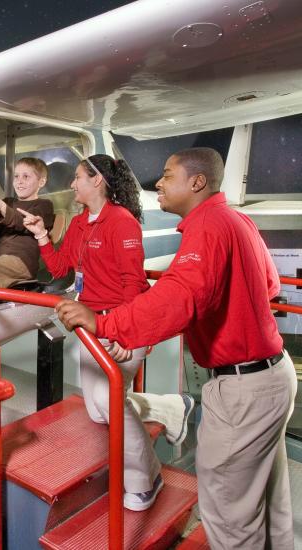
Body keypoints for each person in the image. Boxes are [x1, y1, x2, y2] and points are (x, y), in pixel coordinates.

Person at [54, 148, 296, 548]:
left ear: (197, 182)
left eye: (167, 175)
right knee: (271, 501)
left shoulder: (207, 227)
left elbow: (179, 297)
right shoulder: (236, 219)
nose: (158, 184)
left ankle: (164, 422)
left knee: (230, 514)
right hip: (274, 375)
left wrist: (105, 323)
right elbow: (270, 285)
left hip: (243, 389)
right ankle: (169, 408)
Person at [19, 153, 192, 512]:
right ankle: (172, 408)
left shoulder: (122, 223)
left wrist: (129, 335)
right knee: (99, 411)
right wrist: (40, 235)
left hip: (119, 326)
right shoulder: (82, 223)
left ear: (97, 181)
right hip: (90, 326)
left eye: (78, 177)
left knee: (110, 405)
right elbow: (60, 268)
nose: (72, 184)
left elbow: (133, 284)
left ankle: (147, 480)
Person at [0, 157, 55, 308]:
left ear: (41, 182)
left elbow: (22, 222)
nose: (19, 181)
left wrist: (2, 208)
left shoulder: (44, 206)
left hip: (20, 262)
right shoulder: (9, 201)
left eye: (26, 176)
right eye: (16, 176)